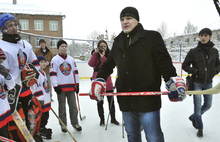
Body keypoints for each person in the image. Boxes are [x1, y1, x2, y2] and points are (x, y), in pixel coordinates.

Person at [89, 6, 187, 142]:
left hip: (148, 101)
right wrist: (99, 79)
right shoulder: (117, 43)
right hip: (126, 101)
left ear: (137, 20)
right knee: (132, 136)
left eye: (129, 18)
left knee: (153, 137)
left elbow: (163, 61)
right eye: (122, 19)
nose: (125, 22)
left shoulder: (152, 37)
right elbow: (107, 65)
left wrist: (171, 79)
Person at [0, 13, 40, 141]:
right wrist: (10, 80)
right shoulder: (2, 47)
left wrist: (32, 73)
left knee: (32, 118)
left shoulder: (25, 44)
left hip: (27, 90)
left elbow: (35, 64)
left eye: (14, 24)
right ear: (2, 29)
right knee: (16, 124)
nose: (13, 27)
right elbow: (2, 74)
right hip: (12, 94)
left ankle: (33, 136)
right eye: (9, 25)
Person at [182, 28, 220, 138]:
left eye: (205, 35)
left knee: (208, 105)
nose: (203, 37)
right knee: (197, 106)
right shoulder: (193, 52)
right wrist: (196, 72)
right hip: (197, 83)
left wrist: (215, 71)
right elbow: (185, 65)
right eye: (201, 35)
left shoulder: (214, 51)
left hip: (209, 83)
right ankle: (200, 127)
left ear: (210, 37)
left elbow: (218, 64)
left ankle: (193, 117)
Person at [50, 39, 82, 132]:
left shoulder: (71, 59)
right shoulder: (55, 60)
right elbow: (52, 74)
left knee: (73, 106)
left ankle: (75, 123)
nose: (64, 48)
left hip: (71, 86)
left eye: (65, 46)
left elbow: (75, 72)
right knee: (62, 107)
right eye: (62, 46)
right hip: (61, 87)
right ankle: (63, 124)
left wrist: (77, 84)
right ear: (58, 48)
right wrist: (55, 86)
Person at [88, 39, 119, 126]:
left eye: (105, 46)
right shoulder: (94, 55)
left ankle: (113, 118)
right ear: (98, 47)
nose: (103, 48)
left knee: (111, 102)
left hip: (107, 80)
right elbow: (91, 64)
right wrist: (95, 53)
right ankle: (102, 119)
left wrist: (103, 57)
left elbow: (108, 65)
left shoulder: (109, 55)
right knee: (100, 102)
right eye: (101, 46)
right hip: (97, 81)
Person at [32, 55, 52, 139]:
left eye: (44, 61)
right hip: (41, 101)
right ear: (37, 63)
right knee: (42, 116)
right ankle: (39, 129)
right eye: (41, 62)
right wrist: (40, 99)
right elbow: (36, 88)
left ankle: (43, 127)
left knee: (46, 116)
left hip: (46, 100)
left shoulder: (43, 73)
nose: (43, 63)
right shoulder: (37, 74)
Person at [0, 48, 15, 140]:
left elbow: (10, 86)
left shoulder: (1, 74)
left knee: (6, 136)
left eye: (1, 63)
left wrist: (7, 75)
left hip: (3, 110)